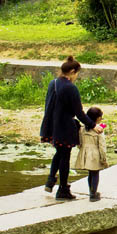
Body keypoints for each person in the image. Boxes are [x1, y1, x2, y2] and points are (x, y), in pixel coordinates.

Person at [40, 56, 100, 201]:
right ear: (72, 71)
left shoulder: (53, 83)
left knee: (59, 153)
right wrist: (93, 125)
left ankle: (50, 180)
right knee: (64, 157)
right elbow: (79, 112)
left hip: (52, 125)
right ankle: (62, 190)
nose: (77, 77)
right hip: (65, 127)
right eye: (77, 73)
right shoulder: (70, 88)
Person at [72, 107, 108, 201]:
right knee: (95, 173)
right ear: (98, 118)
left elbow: (79, 143)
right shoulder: (99, 130)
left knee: (90, 174)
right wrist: (104, 159)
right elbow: (102, 146)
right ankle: (94, 194)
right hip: (95, 154)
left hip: (85, 153)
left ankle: (91, 191)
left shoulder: (82, 129)